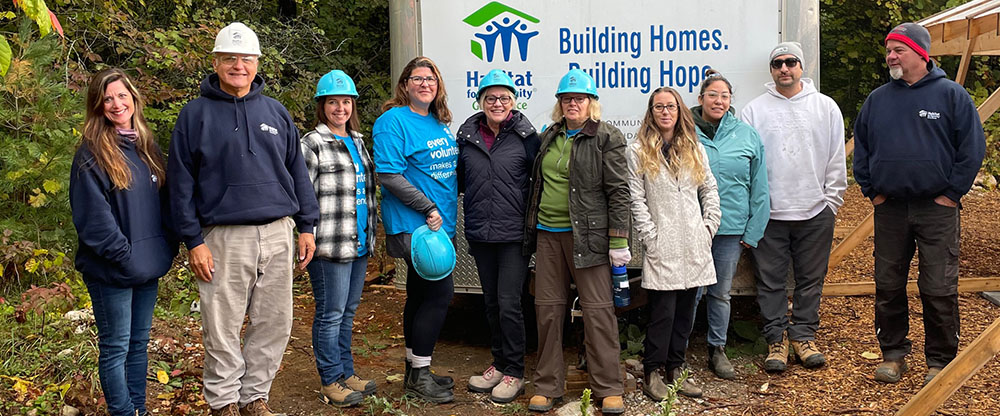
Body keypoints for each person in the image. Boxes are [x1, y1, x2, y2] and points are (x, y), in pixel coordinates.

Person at [167, 23, 319, 416]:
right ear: (216, 62)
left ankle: (254, 398)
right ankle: (224, 403)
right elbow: (180, 184)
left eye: (246, 59)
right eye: (230, 58)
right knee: (221, 325)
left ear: (257, 64)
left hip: (278, 231)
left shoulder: (276, 112)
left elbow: (297, 172)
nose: (238, 66)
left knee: (275, 322)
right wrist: (193, 241)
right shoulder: (194, 115)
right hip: (222, 237)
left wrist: (307, 225)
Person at [854, 23, 985, 385]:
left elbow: (972, 150)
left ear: (921, 54)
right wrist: (872, 191)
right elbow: (861, 148)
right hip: (891, 207)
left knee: (938, 286)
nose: (891, 56)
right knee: (888, 282)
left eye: (899, 50)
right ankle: (894, 355)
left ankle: (939, 362)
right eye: (889, 50)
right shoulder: (878, 100)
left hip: (936, 208)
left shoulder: (951, 96)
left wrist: (951, 194)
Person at [70, 68, 175, 416]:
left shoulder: (145, 147)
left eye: (121, 95)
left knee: (138, 345)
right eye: (107, 98)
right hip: (111, 270)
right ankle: (124, 412)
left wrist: (164, 249)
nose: (116, 104)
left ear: (133, 98)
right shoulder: (92, 153)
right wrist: (127, 257)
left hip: (147, 267)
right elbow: (94, 221)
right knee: (116, 347)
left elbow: (165, 204)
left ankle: (139, 410)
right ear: (98, 106)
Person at [524, 69, 630, 415]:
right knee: (548, 311)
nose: (573, 103)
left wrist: (618, 241)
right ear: (560, 103)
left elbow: (619, 192)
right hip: (548, 235)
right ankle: (547, 385)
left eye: (579, 98)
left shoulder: (606, 137)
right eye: (567, 98)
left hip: (589, 237)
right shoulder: (550, 136)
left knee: (598, 312)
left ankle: (609, 387)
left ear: (591, 103)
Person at [740, 42, 847, 373]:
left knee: (810, 279)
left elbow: (835, 158)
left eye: (791, 62)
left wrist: (831, 202)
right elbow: (748, 165)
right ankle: (776, 340)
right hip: (770, 215)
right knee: (770, 281)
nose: (784, 68)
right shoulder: (754, 110)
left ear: (802, 67)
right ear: (771, 70)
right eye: (777, 63)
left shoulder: (825, 107)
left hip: (815, 211)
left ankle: (804, 337)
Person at [372, 56, 458, 404]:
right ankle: (419, 377)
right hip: (417, 224)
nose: (425, 83)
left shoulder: (438, 122)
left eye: (431, 78)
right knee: (439, 296)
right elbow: (389, 175)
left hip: (439, 225)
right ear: (405, 84)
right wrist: (428, 207)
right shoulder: (392, 121)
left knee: (420, 295)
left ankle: (415, 369)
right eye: (417, 78)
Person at [628, 87, 721, 400]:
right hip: (662, 243)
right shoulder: (639, 149)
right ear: (651, 113)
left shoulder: (694, 147)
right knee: (662, 313)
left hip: (694, 241)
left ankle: (676, 369)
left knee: (685, 312)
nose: (665, 112)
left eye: (670, 106)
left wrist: (708, 227)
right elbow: (636, 199)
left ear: (680, 111)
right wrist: (650, 237)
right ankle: (653, 370)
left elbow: (709, 190)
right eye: (658, 107)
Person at [457, 69, 540, 403]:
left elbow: (538, 182)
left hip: (513, 236)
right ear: (480, 101)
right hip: (481, 233)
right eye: (490, 98)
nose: (497, 103)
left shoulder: (526, 137)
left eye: (504, 98)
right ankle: (498, 362)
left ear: (513, 101)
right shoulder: (467, 136)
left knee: (509, 304)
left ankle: (515, 372)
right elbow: (461, 181)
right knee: (490, 304)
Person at [299, 70, 378, 407]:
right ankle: (330, 379)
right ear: (322, 105)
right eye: (333, 101)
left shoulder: (358, 140)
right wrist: (305, 234)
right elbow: (301, 193)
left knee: (348, 311)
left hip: (358, 240)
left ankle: (346, 372)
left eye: (346, 101)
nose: (340, 108)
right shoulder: (311, 143)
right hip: (328, 243)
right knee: (330, 312)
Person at [690, 69, 770, 380]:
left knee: (720, 292)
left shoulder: (746, 135)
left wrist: (754, 230)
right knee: (690, 292)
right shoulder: (686, 132)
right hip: (693, 228)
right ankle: (677, 348)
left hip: (730, 228)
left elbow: (760, 186)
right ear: (700, 99)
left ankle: (717, 349)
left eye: (725, 96)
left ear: (730, 101)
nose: (719, 101)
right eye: (713, 95)